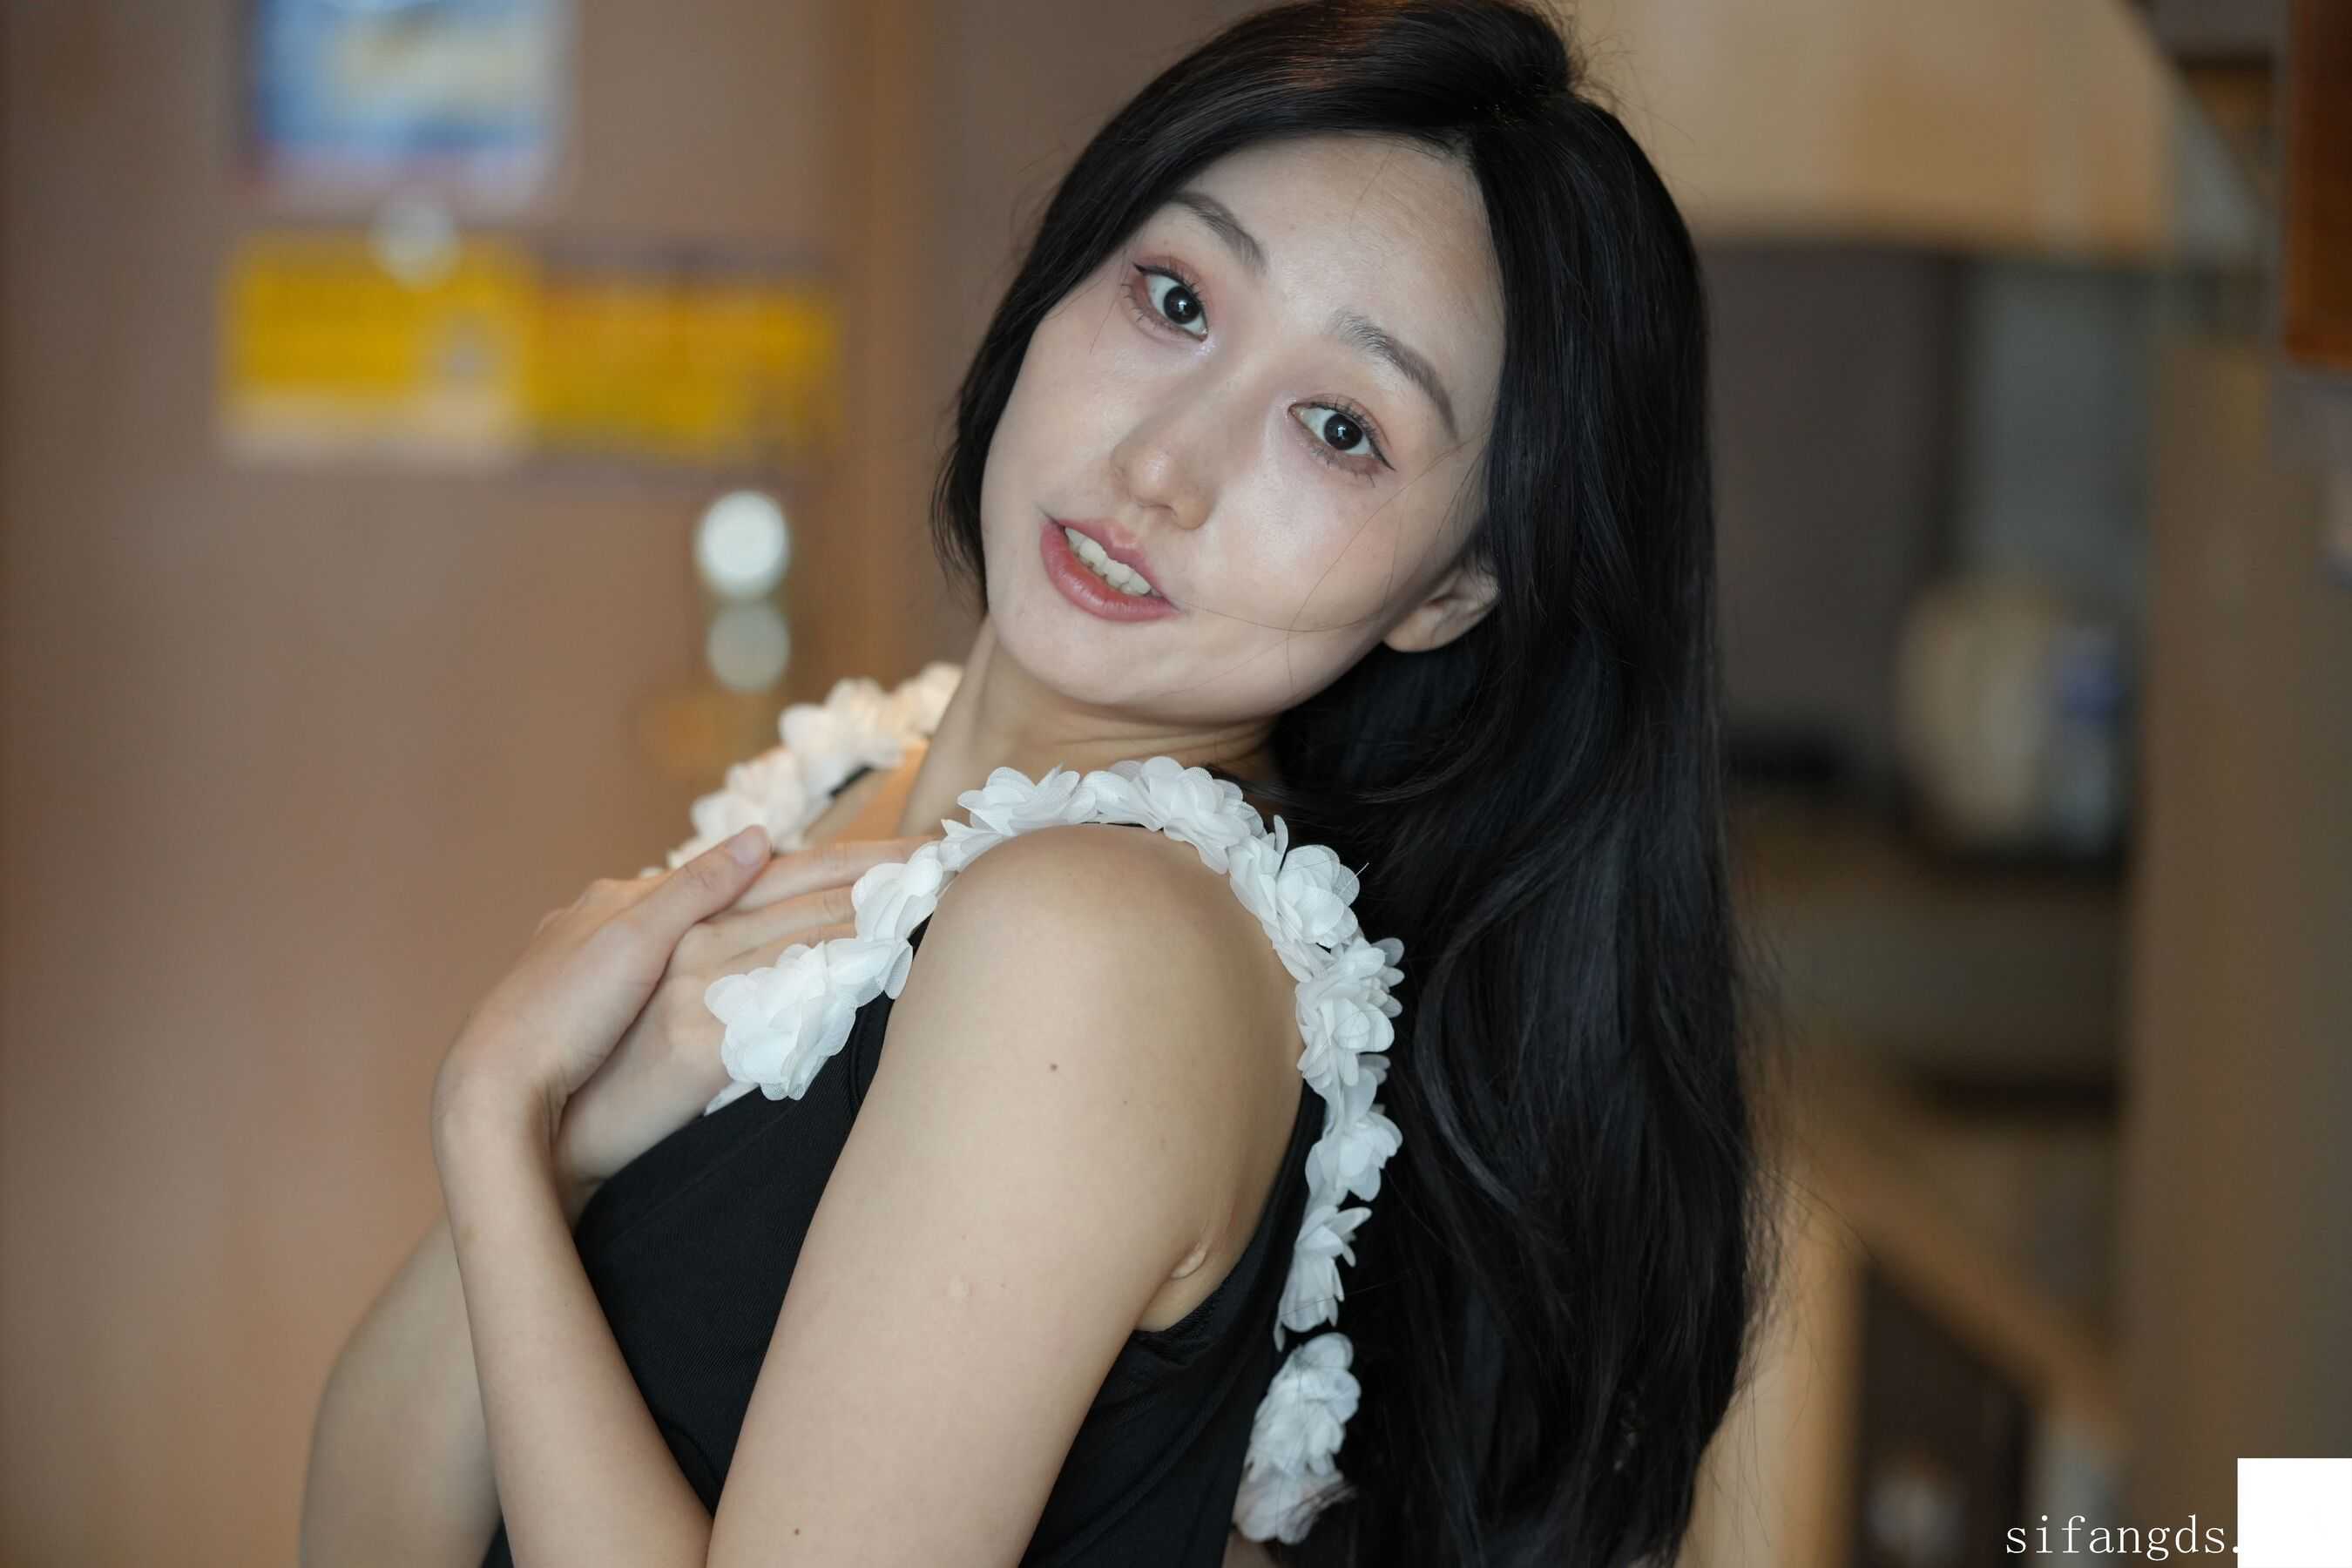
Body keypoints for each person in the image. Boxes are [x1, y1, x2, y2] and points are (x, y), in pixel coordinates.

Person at [301, 1, 1770, 1563]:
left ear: (1453, 589)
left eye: (1341, 428)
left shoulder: (1093, 943)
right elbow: (359, 1536)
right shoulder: (867, 774)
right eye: (1176, 298)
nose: (1162, 467)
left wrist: (495, 1119)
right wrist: (560, 1151)